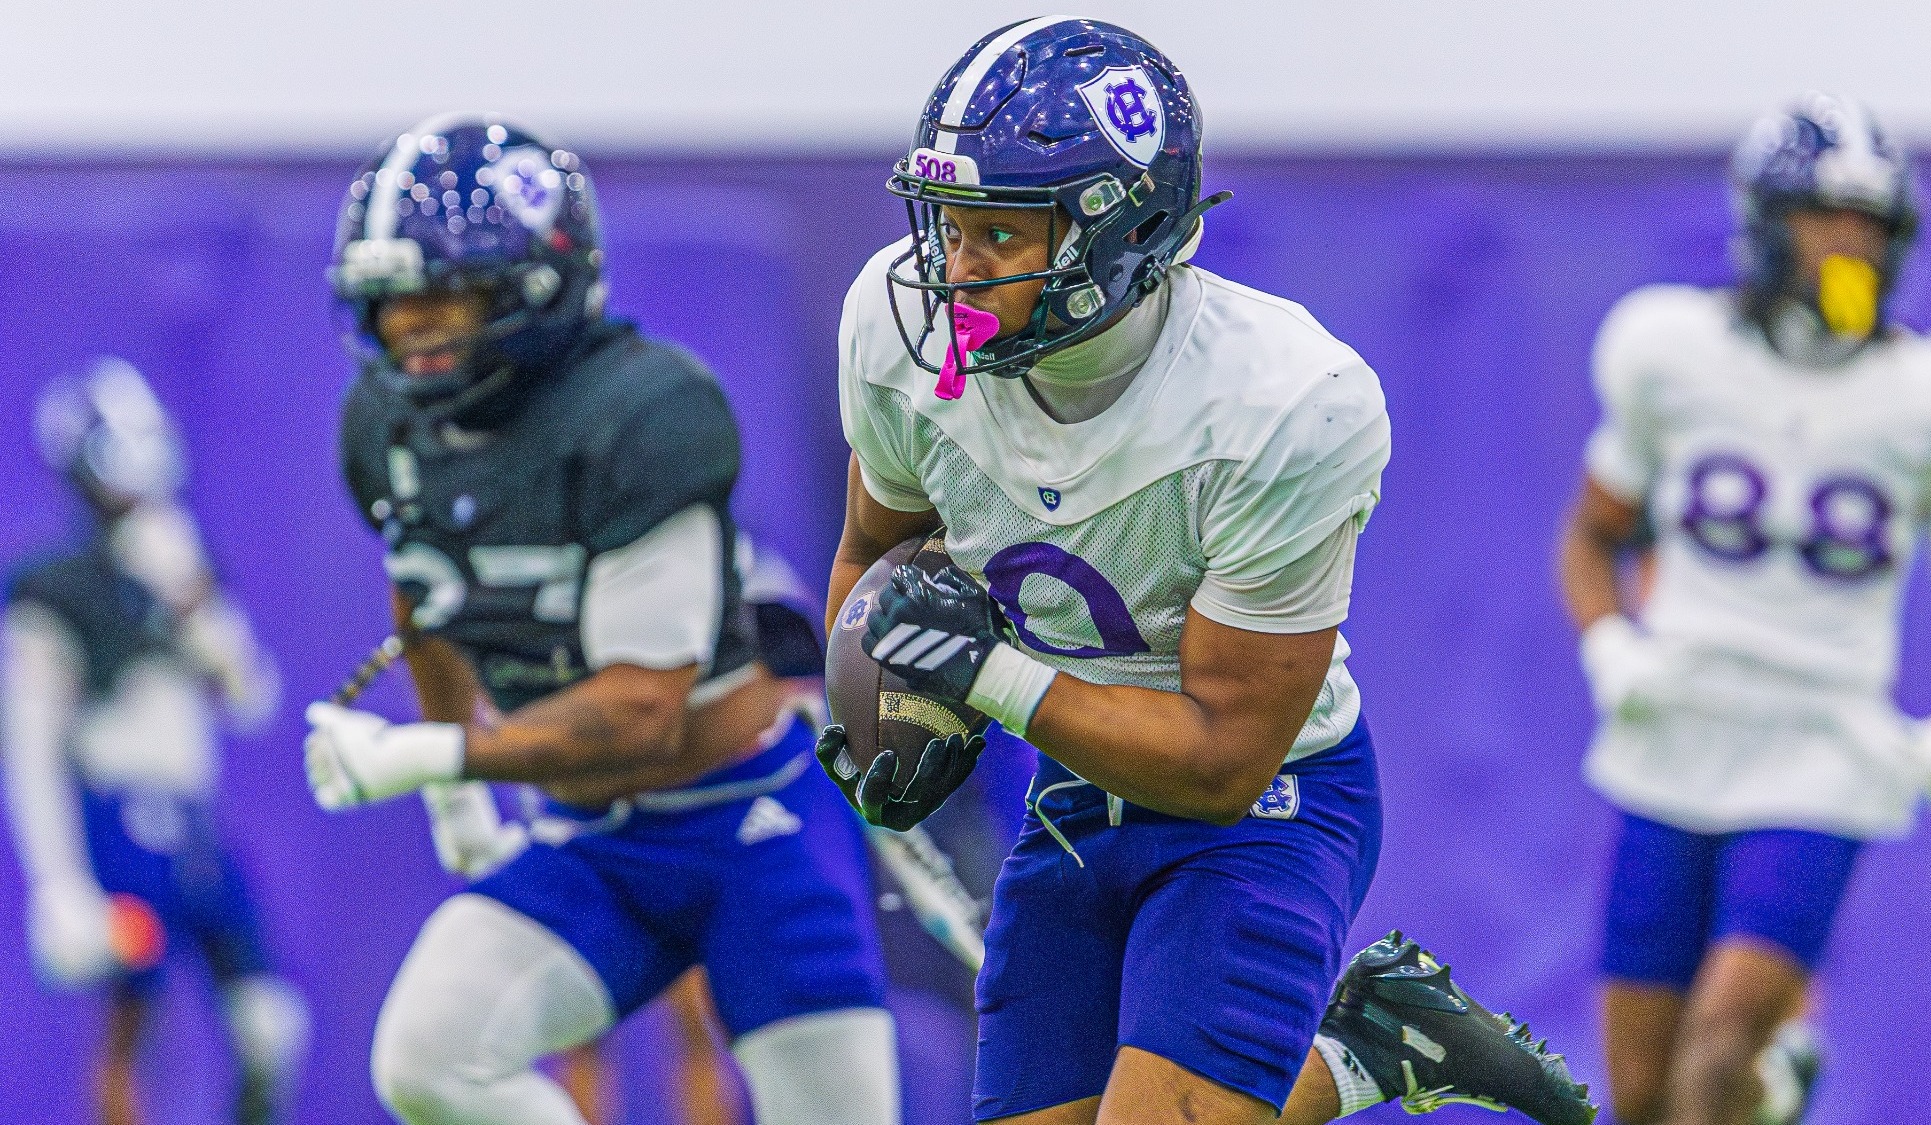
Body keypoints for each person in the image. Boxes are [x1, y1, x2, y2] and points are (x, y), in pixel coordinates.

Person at [815, 18, 1595, 1125]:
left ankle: (1368, 1049)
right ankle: (1378, 1043)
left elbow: (1222, 758)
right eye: (946, 225)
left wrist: (980, 675)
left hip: (1264, 807)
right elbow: (876, 552)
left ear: (1118, 233)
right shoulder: (896, 333)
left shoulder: (1284, 402)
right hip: (1075, 789)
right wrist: (875, 701)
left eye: (996, 231)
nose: (953, 268)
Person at [308, 114, 896, 1125]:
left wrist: (438, 758)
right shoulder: (388, 430)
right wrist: (457, 796)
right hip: (594, 839)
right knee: (429, 1059)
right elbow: (425, 588)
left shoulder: (642, 414)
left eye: (442, 297)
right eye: (394, 306)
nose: (413, 331)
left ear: (539, 279)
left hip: (745, 819)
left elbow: (639, 712)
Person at [1558, 94, 1931, 1125]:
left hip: (1819, 745)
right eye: (1822, 215)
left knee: (1715, 1054)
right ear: (1761, 218)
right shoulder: (1666, 347)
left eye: (1868, 223)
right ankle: (1779, 1090)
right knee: (1635, 1093)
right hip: (1673, 732)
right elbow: (1590, 535)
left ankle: (1762, 1069)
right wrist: (1609, 645)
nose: (1845, 243)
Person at [3, 359, 308, 1125]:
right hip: (121, 823)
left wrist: (192, 603)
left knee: (270, 1025)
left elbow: (250, 698)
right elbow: (30, 747)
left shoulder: (181, 566)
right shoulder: (53, 593)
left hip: (196, 823)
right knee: (133, 1025)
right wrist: (59, 881)